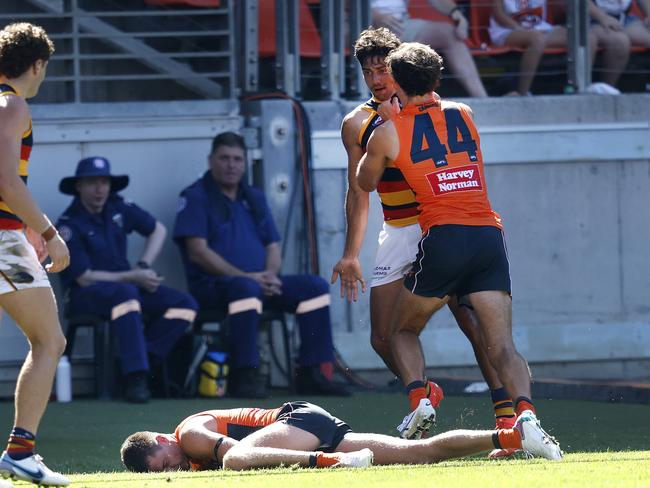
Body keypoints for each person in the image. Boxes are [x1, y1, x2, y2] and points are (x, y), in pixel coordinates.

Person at [356, 41, 561, 455]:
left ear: (396, 80)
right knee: (502, 345)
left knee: (401, 330)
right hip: (488, 235)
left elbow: (364, 181)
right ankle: (527, 419)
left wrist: (382, 125)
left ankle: (419, 398)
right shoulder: (465, 114)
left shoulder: (389, 130)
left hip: (443, 236)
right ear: (436, 78)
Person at [331, 27, 516, 454]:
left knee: (472, 322)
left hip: (439, 227)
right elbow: (359, 189)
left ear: (399, 67)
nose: (377, 78)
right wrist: (350, 254)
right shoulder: (357, 123)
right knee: (382, 337)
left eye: (383, 68)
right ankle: (424, 394)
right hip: (399, 229)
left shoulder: (432, 111)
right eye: (368, 71)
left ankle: (505, 413)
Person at [172, 132, 347, 399]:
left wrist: (269, 275)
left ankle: (312, 373)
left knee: (314, 287)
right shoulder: (195, 197)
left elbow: (272, 247)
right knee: (245, 289)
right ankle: (245, 375)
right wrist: (249, 278)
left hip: (257, 284)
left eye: (237, 159)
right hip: (213, 287)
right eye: (224, 158)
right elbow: (197, 252)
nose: (231, 165)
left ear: (244, 163)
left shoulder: (253, 196)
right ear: (211, 161)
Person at [56, 156, 198, 403]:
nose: (100, 189)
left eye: (104, 182)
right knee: (127, 295)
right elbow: (84, 278)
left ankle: (142, 359)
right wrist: (133, 276)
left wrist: (143, 266)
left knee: (185, 305)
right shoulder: (69, 224)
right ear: (78, 186)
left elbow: (158, 229)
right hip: (86, 295)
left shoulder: (118, 206)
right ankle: (136, 379)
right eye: (92, 183)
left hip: (128, 287)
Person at [0, 22, 71, 488]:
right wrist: (48, 229)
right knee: (50, 342)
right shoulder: (12, 104)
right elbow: (7, 181)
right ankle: (21, 452)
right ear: (38, 64)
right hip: (1, 241)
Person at [120, 400, 561, 473]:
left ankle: (331, 464)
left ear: (163, 438)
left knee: (235, 462)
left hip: (296, 423)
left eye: (165, 461)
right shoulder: (187, 452)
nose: (175, 467)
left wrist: (314, 460)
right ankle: (513, 436)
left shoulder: (189, 433)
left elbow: (240, 454)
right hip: (312, 427)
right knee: (419, 454)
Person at [489, 0, 629, 95]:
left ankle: (581, 89)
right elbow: (499, 14)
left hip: (539, 27)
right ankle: (523, 93)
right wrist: (518, 28)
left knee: (585, 38)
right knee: (537, 40)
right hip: (508, 30)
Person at [371, 0, 488, 97]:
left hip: (401, 24)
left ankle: (483, 100)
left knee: (451, 34)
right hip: (364, 24)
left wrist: (456, 13)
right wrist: (373, 15)